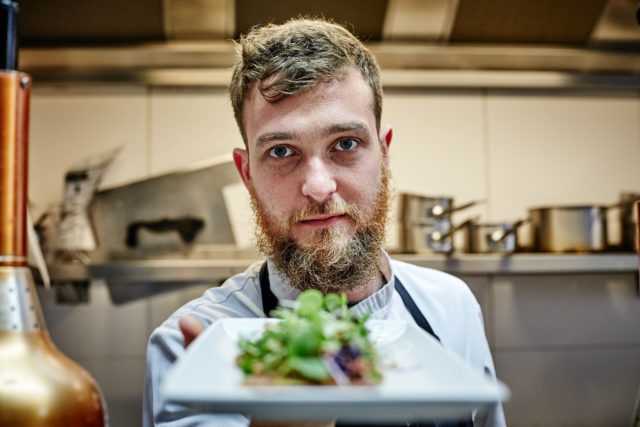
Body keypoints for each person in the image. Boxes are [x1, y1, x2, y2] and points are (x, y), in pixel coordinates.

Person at [143, 17, 506, 427]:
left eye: (345, 144)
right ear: (246, 174)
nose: (318, 186)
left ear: (384, 154)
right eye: (282, 151)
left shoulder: (451, 307)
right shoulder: (195, 347)